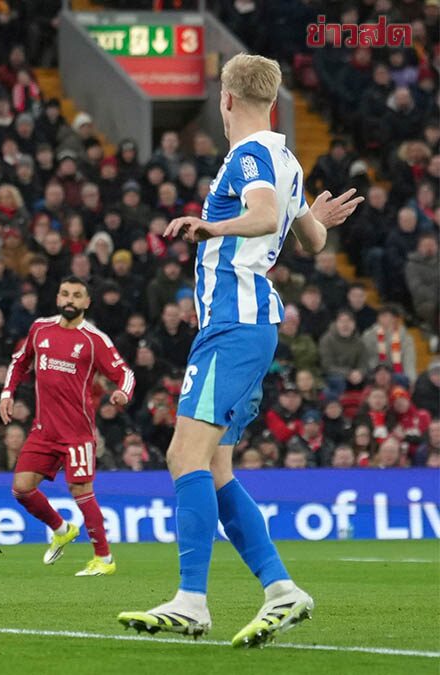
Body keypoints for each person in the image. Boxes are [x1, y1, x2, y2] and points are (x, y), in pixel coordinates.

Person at [118, 54, 362, 647]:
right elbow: (309, 239)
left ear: (226, 100)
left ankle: (191, 601)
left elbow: (263, 215)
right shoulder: (287, 160)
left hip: (233, 323)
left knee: (184, 456)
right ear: (272, 101)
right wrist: (317, 217)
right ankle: (281, 589)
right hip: (251, 327)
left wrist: (211, 228)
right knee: (216, 465)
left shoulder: (249, 157)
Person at [0, 277, 135, 577]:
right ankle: (61, 528)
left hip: (77, 433)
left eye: (76, 295)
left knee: (80, 489)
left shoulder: (93, 339)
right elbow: (19, 362)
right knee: (21, 489)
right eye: (64, 294)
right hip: (43, 430)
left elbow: (124, 372)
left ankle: (104, 558)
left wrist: (123, 392)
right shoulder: (40, 329)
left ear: (87, 302)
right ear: (58, 298)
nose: (69, 299)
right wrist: (7, 393)